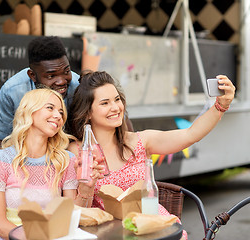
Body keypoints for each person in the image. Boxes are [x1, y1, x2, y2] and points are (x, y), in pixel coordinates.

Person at [67, 71, 235, 230]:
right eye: (105, 103)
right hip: (110, 233)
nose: (115, 107)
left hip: (154, 228)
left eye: (117, 99)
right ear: (88, 112)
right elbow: (74, 214)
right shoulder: (78, 152)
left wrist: (221, 105)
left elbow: (190, 135)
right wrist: (86, 188)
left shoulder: (140, 141)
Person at [0, 88, 101, 239]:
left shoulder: (66, 160)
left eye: (61, 112)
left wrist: (86, 189)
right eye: (50, 108)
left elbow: (72, 218)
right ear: (29, 111)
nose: (58, 116)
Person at [0, 36, 80, 152]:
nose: (61, 81)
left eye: (66, 72)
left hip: (65, 156)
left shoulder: (78, 87)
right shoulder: (13, 91)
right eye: (51, 76)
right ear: (32, 75)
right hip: (23, 158)